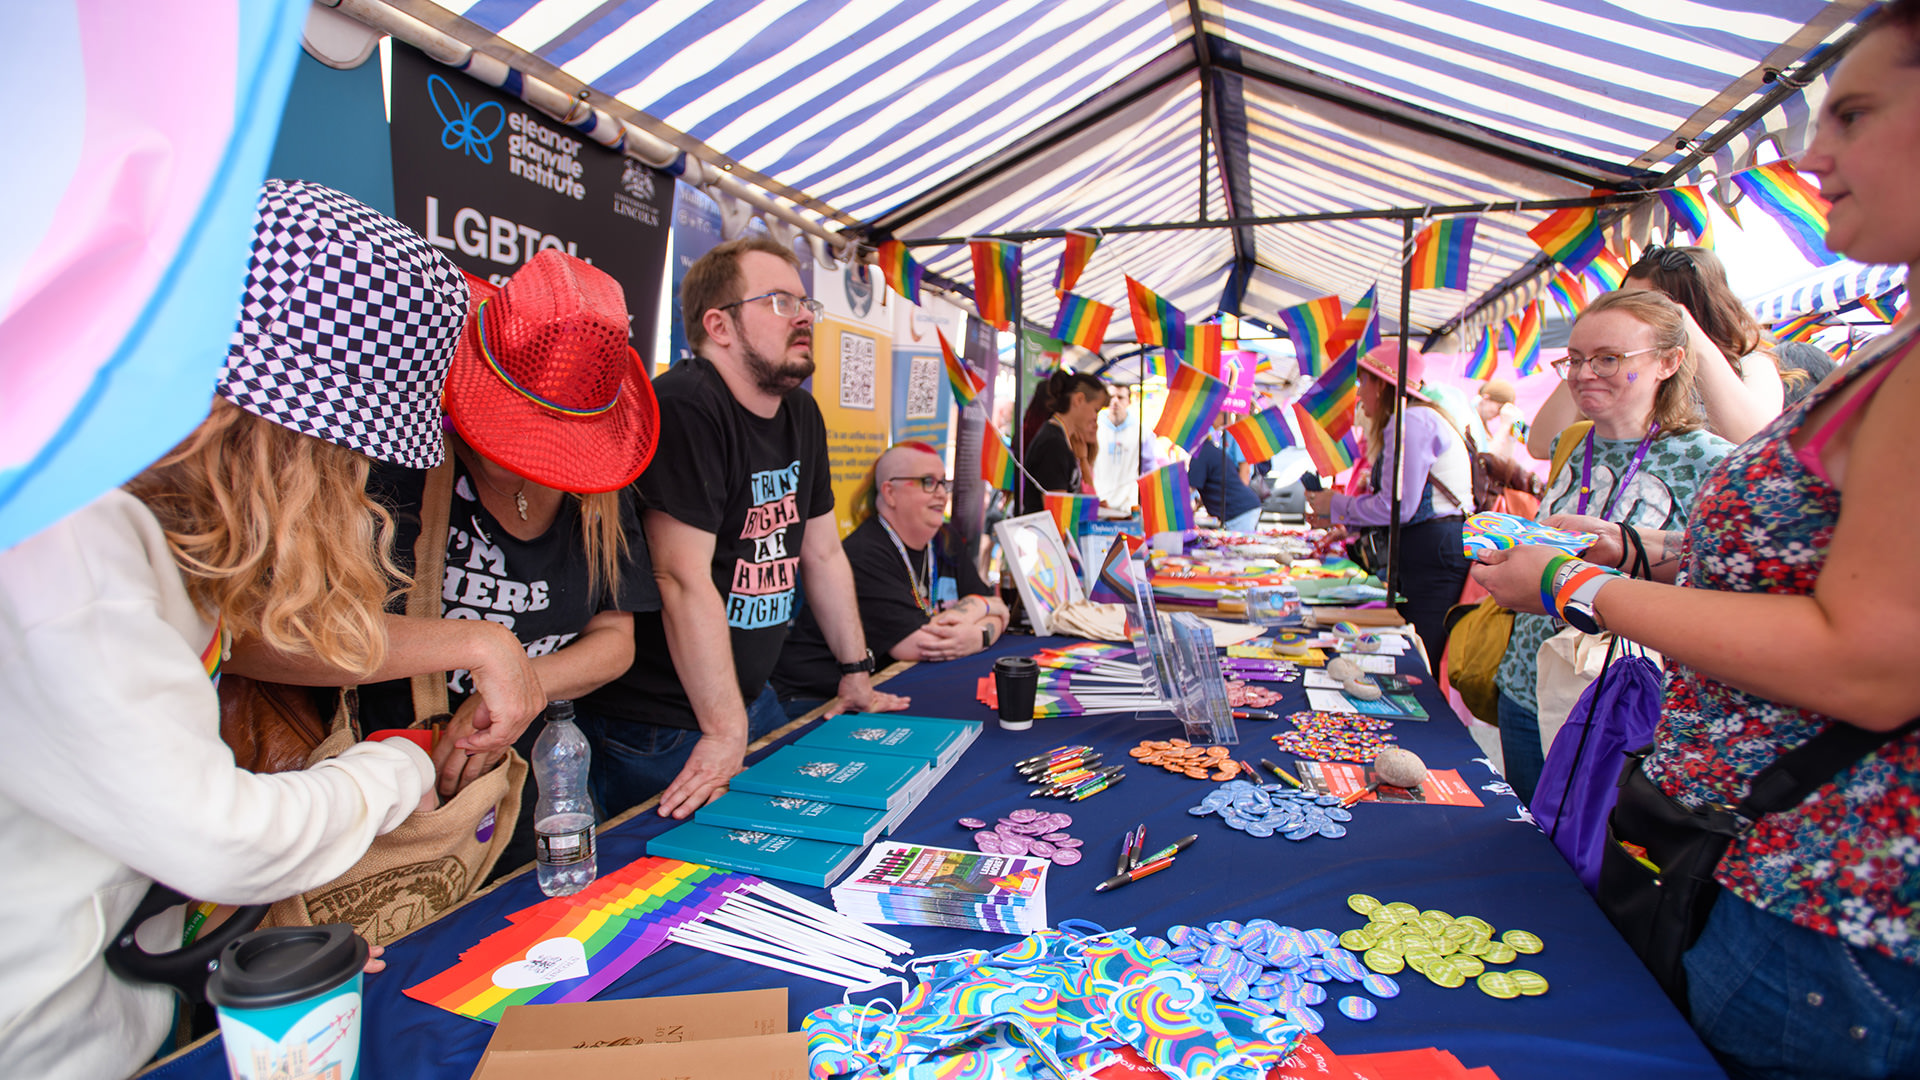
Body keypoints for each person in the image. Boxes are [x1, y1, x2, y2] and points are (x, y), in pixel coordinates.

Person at [0, 181, 529, 1080]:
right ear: (287, 437)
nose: (356, 487)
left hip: (109, 1006)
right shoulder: (68, 546)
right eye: (347, 457)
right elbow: (222, 837)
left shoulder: (135, 521)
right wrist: (397, 765)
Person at [1475, 8, 1920, 1072]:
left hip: (1829, 901)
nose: (1812, 154)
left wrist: (1577, 582)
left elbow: (1872, 659)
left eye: (1854, 113)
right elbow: (1809, 574)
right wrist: (1630, 558)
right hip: (1770, 865)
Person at [577, 236, 905, 821]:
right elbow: (679, 577)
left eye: (807, 304)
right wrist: (724, 731)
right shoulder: (684, 404)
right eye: (781, 301)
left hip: (747, 701)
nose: (805, 316)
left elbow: (823, 555)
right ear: (719, 326)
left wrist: (856, 673)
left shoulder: (801, 412)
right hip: (664, 723)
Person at [354, 249, 660, 871]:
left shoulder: (600, 493)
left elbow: (616, 638)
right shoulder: (397, 458)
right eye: (517, 425)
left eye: (555, 437)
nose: (529, 456)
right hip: (378, 801)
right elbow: (294, 636)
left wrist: (518, 686)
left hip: (527, 790)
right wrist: (479, 646)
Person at [1492, 290, 1732, 804]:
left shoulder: (1711, 461)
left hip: (1619, 700)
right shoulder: (1571, 443)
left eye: (1608, 358)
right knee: (1523, 848)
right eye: (1575, 359)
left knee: (1592, 860)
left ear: (1669, 361)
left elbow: (1714, 582)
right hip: (1526, 678)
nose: (1584, 373)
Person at [772, 443, 1009, 714]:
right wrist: (984, 628)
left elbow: (990, 601)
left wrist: (985, 609)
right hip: (817, 700)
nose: (942, 494)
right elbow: (922, 645)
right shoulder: (865, 554)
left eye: (944, 483)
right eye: (928, 483)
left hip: (888, 685)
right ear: (890, 492)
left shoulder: (945, 539)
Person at [1528, 245, 1783, 456]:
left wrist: (1691, 337)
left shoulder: (1752, 364)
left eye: (1644, 306)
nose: (1626, 314)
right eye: (1623, 300)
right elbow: (1543, 444)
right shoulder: (1617, 369)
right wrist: (1588, 354)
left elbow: (1756, 443)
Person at [1306, 344, 1475, 661]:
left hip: (1433, 551)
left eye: (1363, 383)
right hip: (1430, 548)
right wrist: (1347, 525)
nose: (1359, 394)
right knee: (1413, 647)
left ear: (1382, 384)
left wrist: (1335, 504)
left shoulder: (1411, 422)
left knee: (1419, 655)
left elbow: (1397, 507)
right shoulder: (1415, 418)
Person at [1019, 369, 1108, 515]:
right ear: (1078, 400)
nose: (1095, 418)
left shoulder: (1060, 437)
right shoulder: (1053, 444)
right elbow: (1057, 512)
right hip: (1043, 535)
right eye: (1095, 410)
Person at [1188, 412, 1263, 533]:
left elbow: (1188, 490)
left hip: (1240, 512)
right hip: (1242, 509)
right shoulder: (1207, 450)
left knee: (1239, 549)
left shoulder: (1201, 453)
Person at [1094, 382, 1142, 511]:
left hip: (1128, 506)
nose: (1115, 401)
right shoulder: (1094, 426)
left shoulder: (1140, 431)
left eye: (1120, 397)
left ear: (1128, 401)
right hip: (1099, 503)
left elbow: (1150, 467)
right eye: (1111, 396)